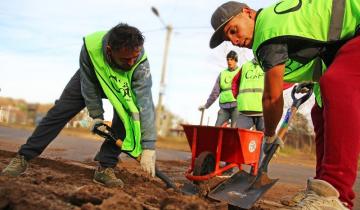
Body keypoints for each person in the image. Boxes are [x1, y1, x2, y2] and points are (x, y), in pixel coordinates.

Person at [209, 1, 359, 209]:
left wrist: (270, 135)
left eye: (233, 30)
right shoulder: (277, 24)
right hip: (344, 43)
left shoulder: (268, 31)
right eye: (229, 38)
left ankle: (336, 192)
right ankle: (322, 188)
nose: (234, 40)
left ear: (248, 13)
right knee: (321, 110)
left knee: (336, 83)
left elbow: (271, 97)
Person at [1, 23, 157, 188]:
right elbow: (88, 85)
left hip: (122, 84)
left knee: (126, 117)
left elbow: (145, 104)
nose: (132, 62)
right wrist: (97, 116)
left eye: (136, 56)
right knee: (59, 111)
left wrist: (148, 147)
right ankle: (23, 157)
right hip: (92, 77)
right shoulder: (91, 48)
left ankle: (105, 168)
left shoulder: (139, 64)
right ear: (109, 51)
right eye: (126, 59)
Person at [199, 50, 240, 127]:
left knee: (235, 130)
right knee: (217, 128)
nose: (229, 61)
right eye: (227, 59)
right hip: (224, 107)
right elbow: (215, 92)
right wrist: (206, 105)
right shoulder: (222, 74)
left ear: (236, 60)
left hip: (236, 106)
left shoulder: (240, 72)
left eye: (231, 59)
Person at [232, 58, 264, 132]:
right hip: (246, 111)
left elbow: (234, 82)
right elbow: (235, 82)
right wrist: (237, 96)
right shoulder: (245, 66)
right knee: (236, 137)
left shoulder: (270, 64)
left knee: (267, 139)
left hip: (262, 112)